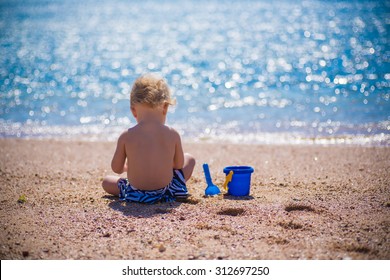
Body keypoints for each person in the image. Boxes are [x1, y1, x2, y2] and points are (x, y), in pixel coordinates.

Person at [102, 74, 196, 204]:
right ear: (165, 107)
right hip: (167, 191)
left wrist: (129, 167)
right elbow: (178, 165)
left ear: (133, 110)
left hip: (135, 193)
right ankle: (178, 191)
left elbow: (116, 168)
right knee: (189, 159)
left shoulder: (126, 136)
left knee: (107, 181)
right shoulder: (172, 134)